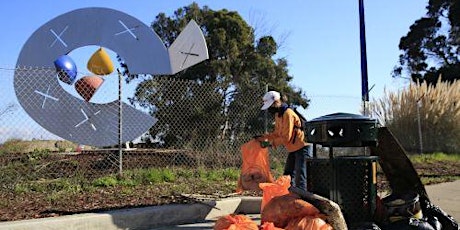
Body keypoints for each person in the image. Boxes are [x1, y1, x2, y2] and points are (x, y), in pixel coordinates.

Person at [256, 90, 312, 193]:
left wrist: (269, 143)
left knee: (300, 176)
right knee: (288, 175)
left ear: (276, 102)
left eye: (270, 106)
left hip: (302, 147)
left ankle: (302, 202)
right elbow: (278, 133)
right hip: (293, 148)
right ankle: (289, 196)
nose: (269, 109)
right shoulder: (278, 115)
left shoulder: (288, 113)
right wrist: (264, 137)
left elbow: (286, 137)